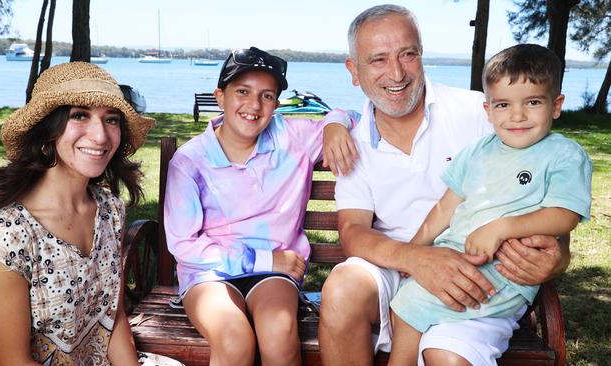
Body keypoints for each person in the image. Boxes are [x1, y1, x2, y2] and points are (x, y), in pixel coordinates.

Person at [318, 5, 573, 366]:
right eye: (377, 60)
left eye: (408, 54)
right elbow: (353, 232)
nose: (396, 72)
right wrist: (417, 259)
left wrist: (557, 257)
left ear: (421, 55)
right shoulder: (350, 142)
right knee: (342, 289)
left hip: (478, 263)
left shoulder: (480, 114)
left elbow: (544, 189)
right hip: (396, 260)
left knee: (448, 350)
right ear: (353, 71)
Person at [0, 62, 181, 366]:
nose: (101, 136)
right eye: (79, 115)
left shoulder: (109, 210)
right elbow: (14, 362)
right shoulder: (8, 236)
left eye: (112, 119)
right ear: (47, 129)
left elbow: (113, 316)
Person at [387, 44, 592, 365]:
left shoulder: (563, 155)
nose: (517, 115)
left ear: (556, 105)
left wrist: (501, 228)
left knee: (417, 316)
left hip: (503, 275)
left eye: (533, 102)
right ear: (488, 110)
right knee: (404, 309)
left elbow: (564, 215)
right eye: (503, 104)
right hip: (454, 261)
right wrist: (413, 252)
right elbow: (444, 209)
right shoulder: (478, 151)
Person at [163, 47, 356, 366]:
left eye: (267, 96)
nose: (254, 105)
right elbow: (184, 244)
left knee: (279, 333)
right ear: (220, 96)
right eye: (242, 92)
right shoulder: (190, 161)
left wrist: (335, 124)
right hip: (211, 273)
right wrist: (265, 259)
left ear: (276, 105)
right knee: (234, 338)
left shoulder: (293, 138)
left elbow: (357, 118)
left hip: (273, 273)